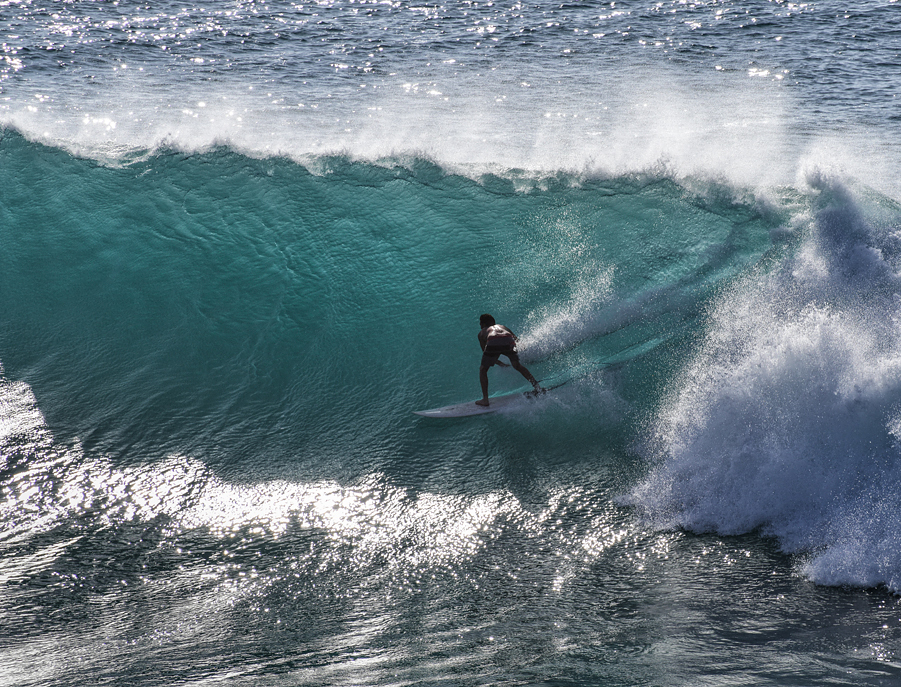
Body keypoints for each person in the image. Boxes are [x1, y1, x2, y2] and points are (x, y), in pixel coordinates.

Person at [476, 313, 542, 406]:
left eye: (480, 323)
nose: (480, 325)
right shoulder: (502, 326)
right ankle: (538, 388)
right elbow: (516, 339)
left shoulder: (482, 333)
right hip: (508, 338)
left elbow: (487, 354)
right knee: (517, 366)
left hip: (492, 340)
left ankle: (485, 400)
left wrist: (500, 364)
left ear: (483, 324)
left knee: (483, 370)